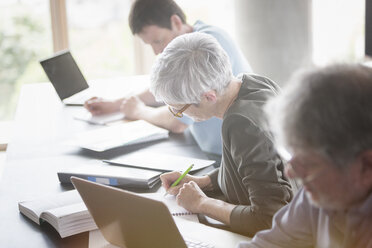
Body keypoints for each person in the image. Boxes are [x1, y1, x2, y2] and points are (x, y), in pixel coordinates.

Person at [150, 32, 293, 236]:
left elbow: (268, 220)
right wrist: (203, 182)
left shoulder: (242, 124)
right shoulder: (252, 83)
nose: (179, 115)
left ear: (209, 96)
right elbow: (256, 170)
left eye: (179, 109)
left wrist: (202, 203)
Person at [84, 0, 252, 157]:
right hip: (205, 147)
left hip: (226, 157)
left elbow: (177, 122)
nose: (156, 51)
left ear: (176, 22)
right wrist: (117, 104)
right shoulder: (197, 38)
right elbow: (171, 90)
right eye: (150, 44)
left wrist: (138, 111)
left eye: (158, 41)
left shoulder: (205, 47)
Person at [238, 64, 372, 248]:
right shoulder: (321, 193)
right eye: (290, 155)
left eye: (308, 163)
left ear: (366, 165)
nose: (290, 173)